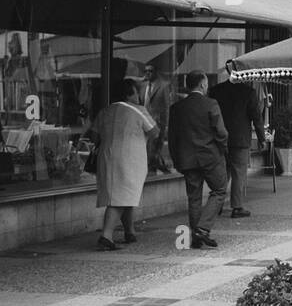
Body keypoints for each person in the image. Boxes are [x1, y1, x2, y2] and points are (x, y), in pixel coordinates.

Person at [92, 78, 157, 250]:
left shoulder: (105, 111)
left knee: (125, 195)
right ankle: (106, 236)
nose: (138, 96)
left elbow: (94, 135)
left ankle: (129, 231)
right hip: (130, 159)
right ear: (130, 94)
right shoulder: (138, 110)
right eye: (136, 93)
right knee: (120, 198)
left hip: (107, 157)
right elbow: (154, 132)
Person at [168, 70, 229, 250]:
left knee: (193, 197)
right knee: (219, 190)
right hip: (210, 156)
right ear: (203, 84)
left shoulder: (177, 108)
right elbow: (221, 132)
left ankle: (195, 236)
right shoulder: (211, 104)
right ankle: (202, 229)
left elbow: (172, 138)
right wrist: (222, 149)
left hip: (187, 158)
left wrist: (176, 160)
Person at [208, 74, 267, 217]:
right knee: (239, 173)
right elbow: (257, 117)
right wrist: (262, 138)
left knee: (222, 173)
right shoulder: (248, 92)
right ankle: (237, 207)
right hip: (240, 140)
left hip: (219, 139)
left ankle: (216, 205)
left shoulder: (216, 90)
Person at [141, 64, 173, 173]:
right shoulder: (143, 86)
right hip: (143, 124)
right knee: (147, 152)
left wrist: (166, 125)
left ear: (155, 72)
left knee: (153, 151)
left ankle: (156, 170)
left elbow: (166, 107)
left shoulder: (163, 86)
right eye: (145, 71)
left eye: (150, 71)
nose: (147, 73)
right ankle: (159, 167)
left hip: (157, 124)